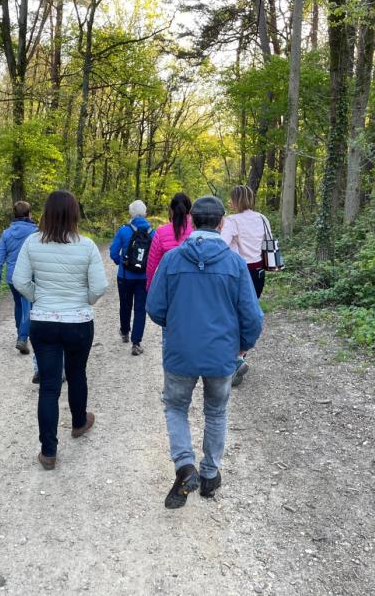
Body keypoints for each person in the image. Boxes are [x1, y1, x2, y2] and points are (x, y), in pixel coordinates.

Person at [146, 196, 263, 509]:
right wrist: (243, 345)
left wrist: (177, 326)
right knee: (216, 411)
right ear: (222, 223)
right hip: (221, 354)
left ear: (193, 221)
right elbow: (252, 317)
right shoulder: (235, 263)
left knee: (175, 406)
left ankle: (185, 466)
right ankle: (210, 475)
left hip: (180, 353)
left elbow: (155, 308)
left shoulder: (172, 260)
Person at [13, 190, 108, 470]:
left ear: (46, 213)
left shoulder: (32, 243)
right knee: (77, 373)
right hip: (78, 322)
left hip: (43, 322)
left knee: (50, 386)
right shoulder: (87, 246)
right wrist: (85, 302)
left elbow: (19, 280)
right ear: (74, 214)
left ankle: (49, 451)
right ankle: (79, 423)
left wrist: (37, 299)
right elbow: (99, 287)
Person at [221, 184, 273, 385]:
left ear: (236, 200)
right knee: (249, 314)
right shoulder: (262, 218)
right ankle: (241, 356)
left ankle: (233, 361)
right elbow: (268, 242)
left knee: (232, 314)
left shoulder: (232, 221)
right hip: (259, 272)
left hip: (238, 273)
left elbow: (223, 245)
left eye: (231, 199)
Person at [0, 201, 38, 355]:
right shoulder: (35, 232)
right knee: (28, 307)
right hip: (29, 275)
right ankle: (23, 338)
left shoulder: (7, 233)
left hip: (12, 277)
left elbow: (0, 256)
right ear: (29, 214)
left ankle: (20, 334)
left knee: (19, 305)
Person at [109, 200, 154, 356]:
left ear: (131, 213)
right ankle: (136, 343)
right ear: (145, 213)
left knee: (125, 304)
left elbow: (114, 253)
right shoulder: (152, 232)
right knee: (140, 309)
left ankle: (125, 332)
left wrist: (121, 263)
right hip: (144, 277)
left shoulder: (123, 231)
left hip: (125, 275)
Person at [145, 193, 192, 290]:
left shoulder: (161, 232)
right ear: (190, 210)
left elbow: (152, 264)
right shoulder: (197, 231)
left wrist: (150, 286)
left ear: (171, 209)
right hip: (191, 286)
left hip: (168, 285)